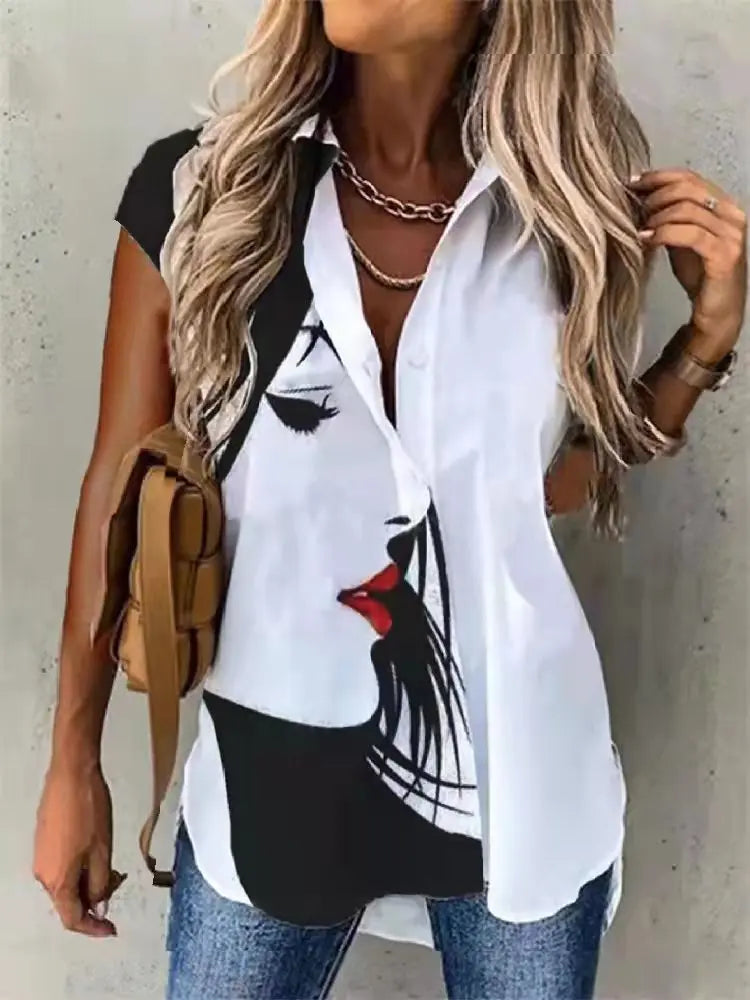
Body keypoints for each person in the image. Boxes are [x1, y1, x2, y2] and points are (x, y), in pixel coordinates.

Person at [33, 2, 747, 998]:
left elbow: (545, 486)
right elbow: (114, 481)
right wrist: (73, 761)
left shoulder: (568, 218)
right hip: (268, 788)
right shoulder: (202, 195)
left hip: (522, 783)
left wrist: (703, 344)